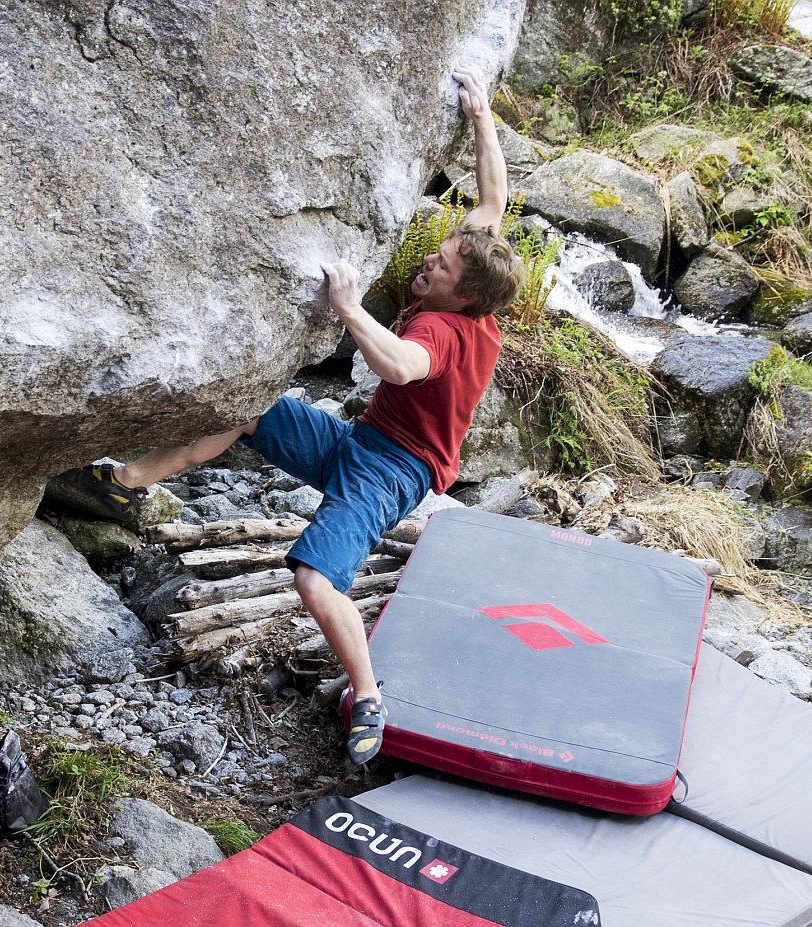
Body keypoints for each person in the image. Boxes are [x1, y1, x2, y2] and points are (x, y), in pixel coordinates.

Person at [58, 64, 527, 765]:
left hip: (393, 472)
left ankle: (368, 696)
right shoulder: (477, 290)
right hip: (361, 440)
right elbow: (493, 200)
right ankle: (124, 483)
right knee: (249, 409)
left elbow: (401, 365)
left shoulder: (443, 330)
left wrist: (349, 307)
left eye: (443, 266)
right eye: (441, 253)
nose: (432, 259)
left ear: (464, 296)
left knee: (313, 579)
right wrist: (481, 114)